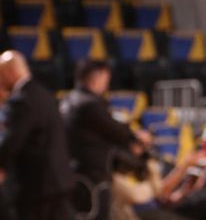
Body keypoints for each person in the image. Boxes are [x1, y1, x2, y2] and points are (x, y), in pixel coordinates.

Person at [61, 59, 152, 220]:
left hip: (74, 172)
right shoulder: (89, 105)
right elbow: (116, 131)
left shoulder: (67, 101)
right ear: (97, 78)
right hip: (92, 176)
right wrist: (137, 137)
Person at [0, 50, 75, 220]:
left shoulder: (22, 100)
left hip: (38, 185)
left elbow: (12, 140)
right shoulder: (43, 93)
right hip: (58, 180)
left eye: (1, 74)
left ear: (11, 72)